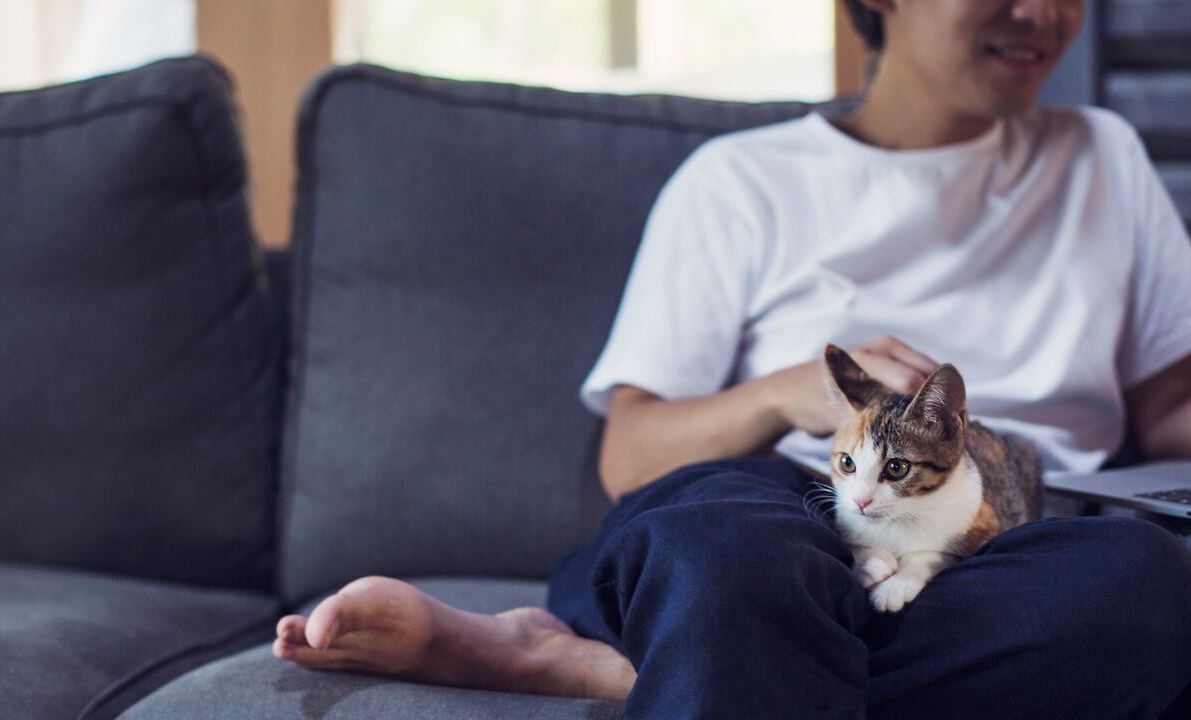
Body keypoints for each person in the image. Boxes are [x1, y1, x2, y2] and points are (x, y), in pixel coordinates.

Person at [273, 0, 1191, 717]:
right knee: (724, 559)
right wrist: (791, 393)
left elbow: (1168, 411)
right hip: (785, 504)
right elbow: (628, 455)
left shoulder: (1103, 156)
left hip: (1000, 547)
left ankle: (612, 669)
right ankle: (711, 641)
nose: (1043, 15)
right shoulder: (741, 179)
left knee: (1142, 591)